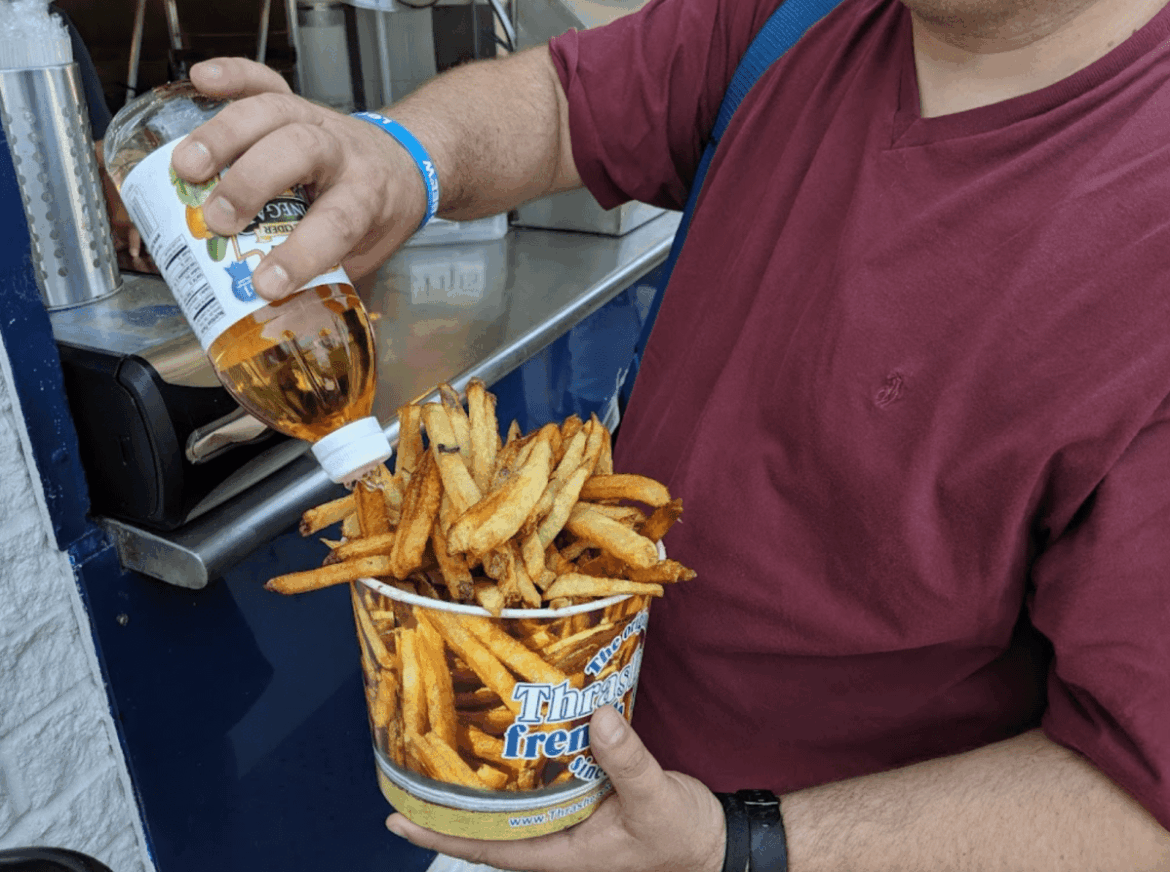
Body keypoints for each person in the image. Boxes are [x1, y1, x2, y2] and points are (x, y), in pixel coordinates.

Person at [170, 0, 1170, 867]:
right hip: (576, 782)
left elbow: (1141, 805)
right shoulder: (795, 19)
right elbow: (566, 104)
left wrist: (734, 847)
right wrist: (399, 156)